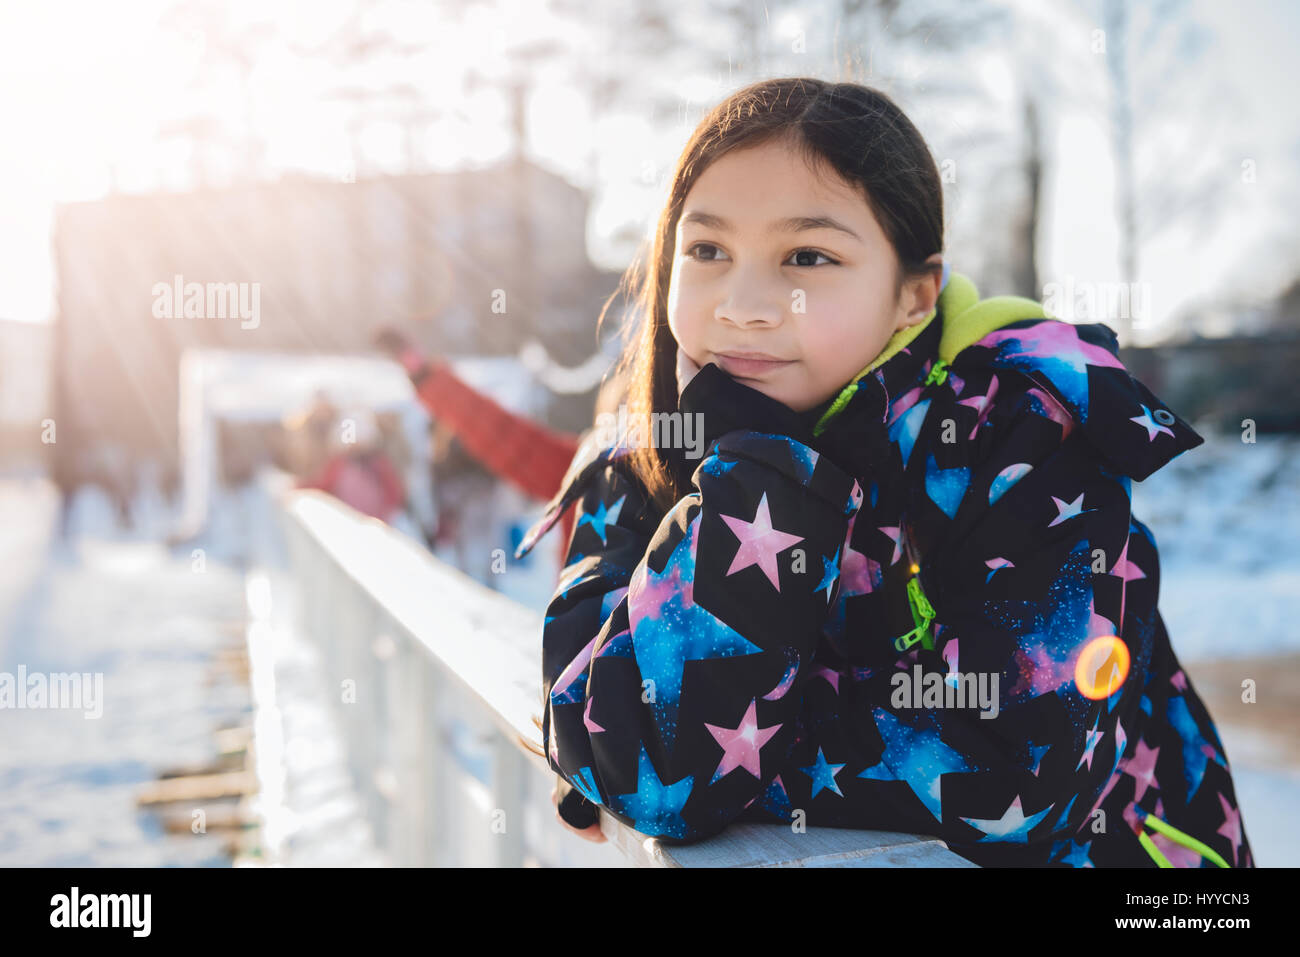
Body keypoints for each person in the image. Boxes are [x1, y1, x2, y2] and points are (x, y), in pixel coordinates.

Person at [511, 77, 1253, 867]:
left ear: (913, 294)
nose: (746, 304)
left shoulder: (1025, 432)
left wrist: (658, 733)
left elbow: (1021, 769)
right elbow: (645, 761)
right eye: (707, 250)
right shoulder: (647, 450)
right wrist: (756, 479)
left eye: (808, 255)